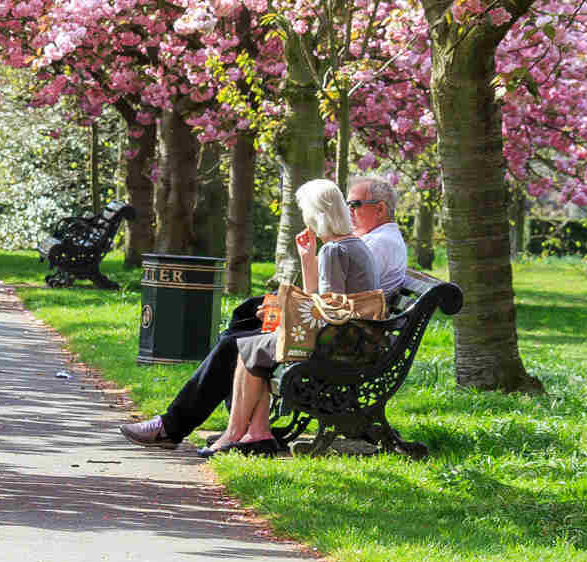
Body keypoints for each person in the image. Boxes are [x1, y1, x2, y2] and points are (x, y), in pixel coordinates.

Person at [121, 175, 407, 453]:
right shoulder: (348, 245)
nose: (305, 219)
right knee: (239, 335)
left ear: (318, 215)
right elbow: (325, 301)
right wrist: (307, 260)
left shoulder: (337, 249)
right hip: (346, 336)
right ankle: (250, 432)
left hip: (337, 344)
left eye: (307, 213)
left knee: (242, 345)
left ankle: (229, 432)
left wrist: (285, 311)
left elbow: (326, 310)